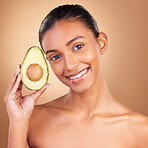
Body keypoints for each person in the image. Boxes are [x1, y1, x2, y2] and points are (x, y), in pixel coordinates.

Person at [4, 4, 148, 148]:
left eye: (78, 46)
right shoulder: (31, 120)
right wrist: (17, 122)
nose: (69, 65)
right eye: (55, 57)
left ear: (101, 43)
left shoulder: (141, 131)